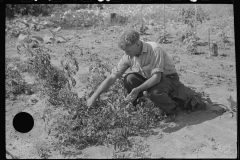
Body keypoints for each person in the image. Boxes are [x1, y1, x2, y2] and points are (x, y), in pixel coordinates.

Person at [87, 29, 204, 116]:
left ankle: (173, 110)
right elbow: (113, 76)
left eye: (128, 50)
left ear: (138, 44)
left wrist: (138, 89)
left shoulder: (154, 49)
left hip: (168, 79)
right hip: (149, 78)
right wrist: (94, 96)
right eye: (125, 51)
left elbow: (157, 78)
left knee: (155, 92)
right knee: (129, 78)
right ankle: (137, 107)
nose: (126, 54)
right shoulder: (129, 55)